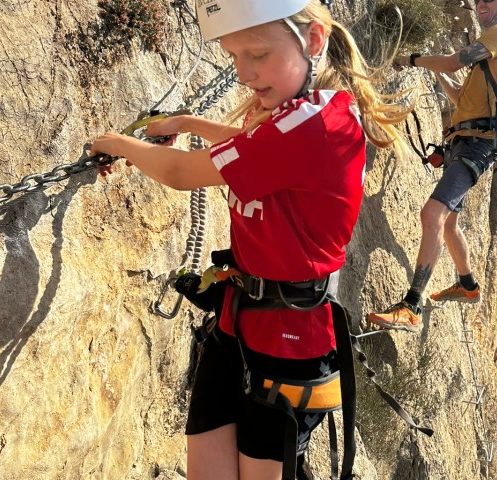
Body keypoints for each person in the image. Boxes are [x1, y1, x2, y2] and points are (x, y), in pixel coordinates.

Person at [89, 1, 409, 478]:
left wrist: (115, 144)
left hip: (289, 341)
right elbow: (256, 148)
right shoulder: (310, 110)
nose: (243, 73)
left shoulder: (309, 125)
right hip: (244, 322)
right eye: (233, 55)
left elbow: (181, 172)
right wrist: (188, 124)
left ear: (314, 41)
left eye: (257, 54)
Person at [366, 0, 497, 333]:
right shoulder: (490, 59)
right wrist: (432, 70)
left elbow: (453, 62)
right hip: (466, 143)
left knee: (431, 214)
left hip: (477, 146)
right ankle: (467, 285)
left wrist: (410, 60)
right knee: (449, 224)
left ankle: (411, 306)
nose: (481, 5)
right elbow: (459, 96)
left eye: (490, 0)